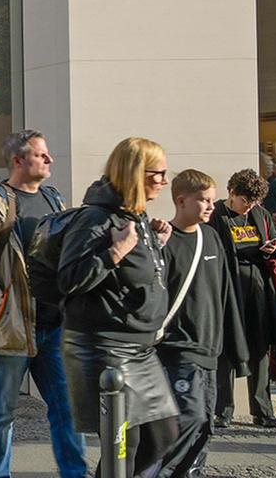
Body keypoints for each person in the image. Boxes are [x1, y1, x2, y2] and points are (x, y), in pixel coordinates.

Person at [0, 128, 87, 478]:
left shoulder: (55, 201)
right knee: (1, 413)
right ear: (18, 160)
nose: (50, 159)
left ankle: (74, 473)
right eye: (41, 154)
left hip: (53, 327)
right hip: (12, 327)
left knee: (67, 409)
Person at [59, 137, 179, 478]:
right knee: (124, 444)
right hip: (105, 347)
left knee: (163, 434)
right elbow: (69, 279)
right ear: (136, 172)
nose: (164, 181)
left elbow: (135, 277)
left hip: (141, 347)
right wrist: (115, 252)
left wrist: (156, 244)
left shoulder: (136, 216)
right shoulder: (96, 218)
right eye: (158, 173)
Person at [155, 170, 245, 478]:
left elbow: (224, 291)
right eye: (203, 200)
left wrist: (234, 346)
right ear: (181, 201)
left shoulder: (211, 237)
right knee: (188, 418)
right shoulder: (165, 242)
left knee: (205, 424)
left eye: (212, 200)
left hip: (210, 349)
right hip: (178, 348)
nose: (210, 206)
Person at [211, 169, 276, 429]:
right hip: (227, 288)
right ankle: (223, 410)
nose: (249, 206)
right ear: (231, 193)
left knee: (260, 348)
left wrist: (271, 250)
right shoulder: (216, 216)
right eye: (245, 201)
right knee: (226, 348)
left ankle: (263, 410)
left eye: (254, 202)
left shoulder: (260, 215)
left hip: (257, 287)